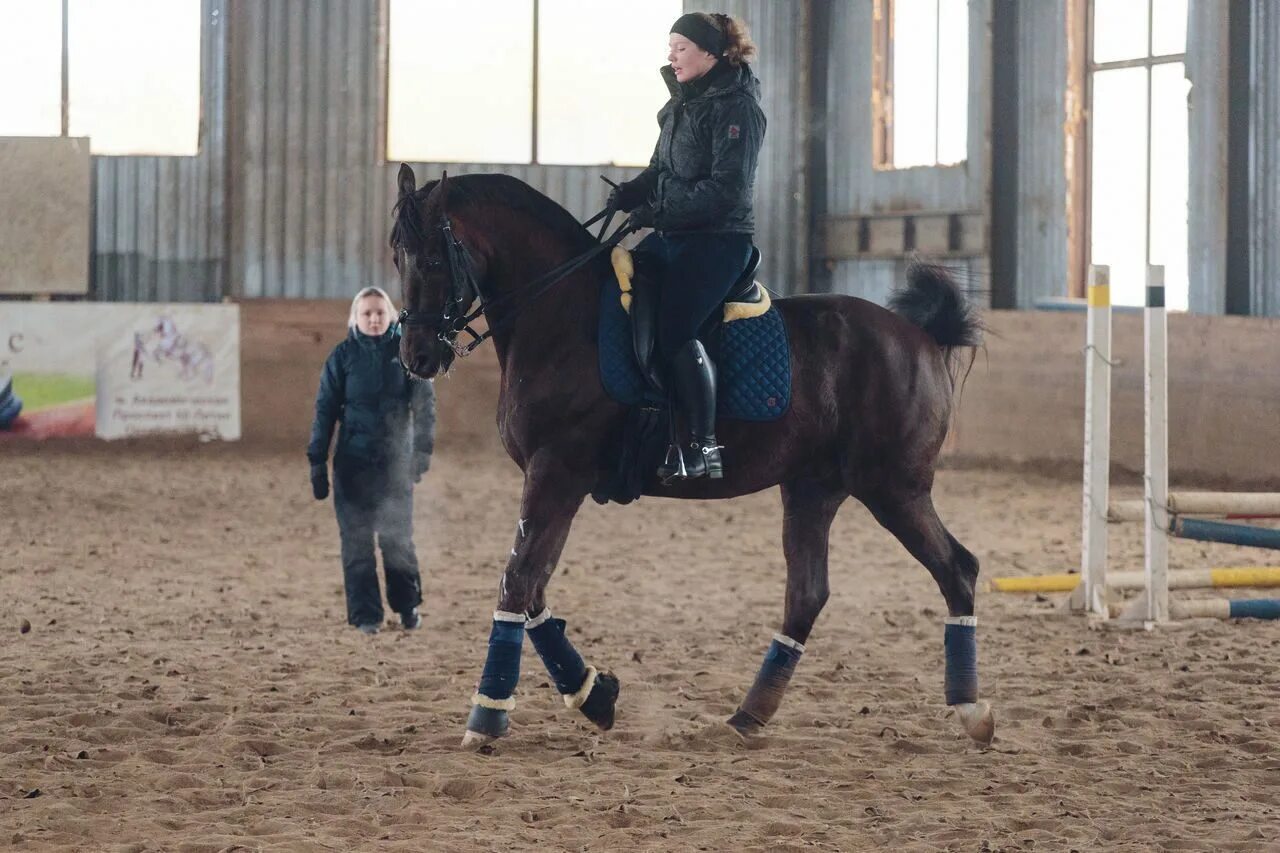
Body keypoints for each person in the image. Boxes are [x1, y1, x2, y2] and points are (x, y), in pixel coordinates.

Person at [608, 11, 764, 481]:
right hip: (674, 237)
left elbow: (727, 192)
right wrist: (634, 191)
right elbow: (661, 169)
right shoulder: (680, 105)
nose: (670, 55)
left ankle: (703, 446)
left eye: (679, 47)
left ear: (710, 53)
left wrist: (660, 212)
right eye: (670, 46)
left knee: (675, 328)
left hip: (718, 241)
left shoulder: (738, 109)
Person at [308, 286, 436, 634]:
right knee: (356, 543)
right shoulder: (342, 357)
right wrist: (317, 461)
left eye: (380, 312)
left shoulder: (407, 353)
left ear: (391, 316)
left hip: (395, 466)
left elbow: (424, 410)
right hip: (352, 466)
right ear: (356, 318)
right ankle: (366, 617)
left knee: (398, 541)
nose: (374, 318)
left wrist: (419, 459)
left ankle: (407, 606)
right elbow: (325, 411)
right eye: (367, 313)